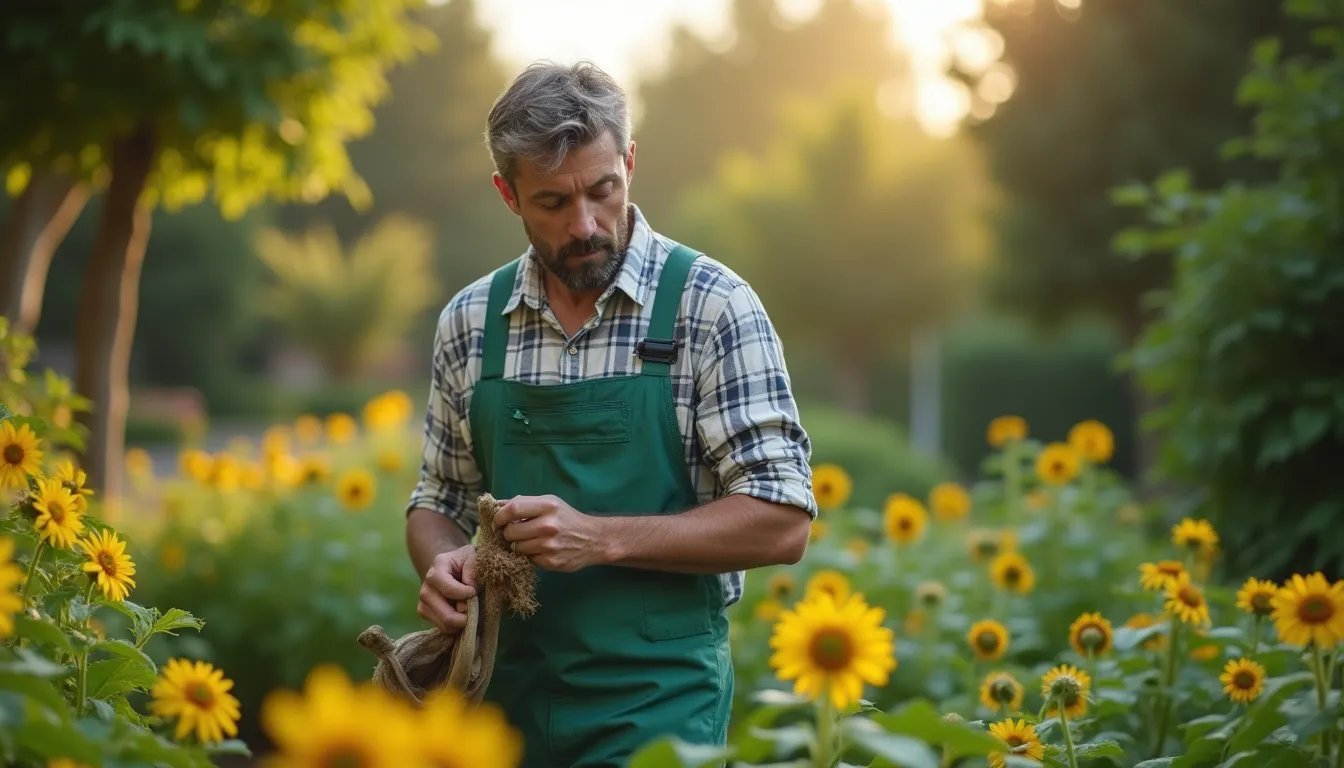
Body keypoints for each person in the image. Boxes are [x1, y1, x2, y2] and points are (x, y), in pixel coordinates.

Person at [405, 60, 816, 768]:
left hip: (660, 708)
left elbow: (782, 520)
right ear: (508, 194)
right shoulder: (472, 322)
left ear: (629, 162)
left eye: (603, 190)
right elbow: (436, 499)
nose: (585, 224)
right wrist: (443, 564)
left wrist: (600, 538)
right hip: (497, 707)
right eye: (553, 203)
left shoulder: (711, 306)